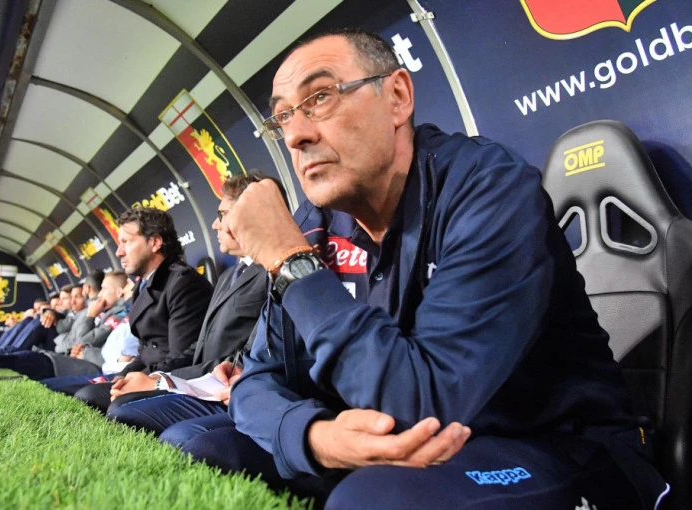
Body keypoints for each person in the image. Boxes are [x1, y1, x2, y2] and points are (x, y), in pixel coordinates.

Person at [181, 29, 668, 509]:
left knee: (375, 500)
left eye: (320, 98)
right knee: (201, 450)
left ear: (397, 97)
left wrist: (293, 265)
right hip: (395, 445)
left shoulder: (489, 189)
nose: (296, 135)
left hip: (557, 447)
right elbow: (255, 381)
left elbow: (423, 406)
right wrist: (313, 436)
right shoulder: (313, 224)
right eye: (283, 116)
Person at [105, 173, 285, 433]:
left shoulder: (272, 272)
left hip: (227, 389)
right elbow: (198, 347)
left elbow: (243, 355)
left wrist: (160, 381)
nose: (215, 224)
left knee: (127, 412)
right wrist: (151, 377)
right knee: (119, 404)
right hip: (198, 381)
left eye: (223, 215)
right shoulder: (228, 276)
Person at [73, 207, 213, 412]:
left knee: (87, 396)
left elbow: (182, 357)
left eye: (126, 242)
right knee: (75, 391)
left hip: (169, 382)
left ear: (154, 242)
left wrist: (140, 380)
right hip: (147, 373)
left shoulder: (183, 283)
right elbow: (145, 351)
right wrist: (124, 375)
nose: (119, 252)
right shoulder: (143, 284)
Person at [43, 270, 130, 377]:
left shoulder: (120, 314)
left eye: (104, 289)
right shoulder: (105, 309)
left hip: (95, 366)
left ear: (119, 292)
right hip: (79, 356)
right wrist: (51, 312)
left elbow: (82, 341)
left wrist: (90, 316)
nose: (100, 294)